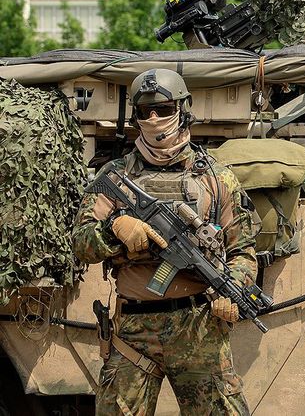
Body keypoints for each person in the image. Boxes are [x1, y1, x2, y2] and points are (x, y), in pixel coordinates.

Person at [73, 68, 259, 415]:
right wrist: (115, 227)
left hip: (199, 327)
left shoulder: (216, 178)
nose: (154, 118)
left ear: (183, 109)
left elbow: (244, 252)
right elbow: (81, 245)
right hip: (132, 331)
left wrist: (232, 290)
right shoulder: (116, 176)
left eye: (163, 108)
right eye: (145, 111)